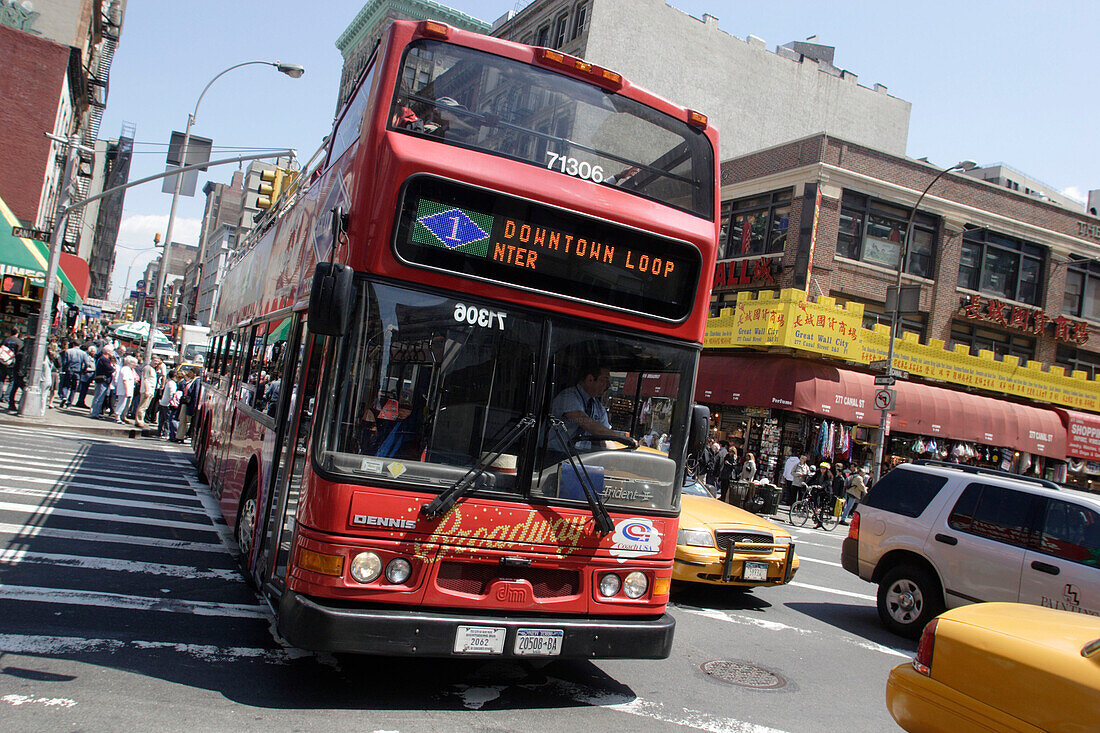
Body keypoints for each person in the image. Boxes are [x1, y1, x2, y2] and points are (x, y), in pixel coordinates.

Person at [548, 362, 636, 450]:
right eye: (605, 380)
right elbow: (588, 424)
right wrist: (621, 438)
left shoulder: (598, 407)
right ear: (590, 379)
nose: (608, 385)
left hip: (580, 459)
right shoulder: (568, 397)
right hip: (553, 456)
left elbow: (606, 439)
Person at [135, 356, 161, 428]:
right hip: (146, 390)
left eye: (157, 361)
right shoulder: (147, 368)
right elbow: (145, 379)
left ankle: (141, 419)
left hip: (151, 390)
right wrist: (146, 390)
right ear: (151, 360)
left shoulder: (153, 369)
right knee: (142, 406)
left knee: (145, 406)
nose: (156, 362)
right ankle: (139, 420)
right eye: (155, 360)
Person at [89, 346, 115, 418]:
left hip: (102, 380)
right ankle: (95, 413)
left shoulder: (102, 358)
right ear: (108, 351)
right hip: (102, 380)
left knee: (99, 396)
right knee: (99, 397)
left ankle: (95, 412)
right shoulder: (104, 359)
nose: (112, 353)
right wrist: (114, 368)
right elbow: (110, 369)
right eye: (112, 351)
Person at [5, 331, 26, 413]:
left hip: (7, 362)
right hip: (18, 370)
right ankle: (15, 402)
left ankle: (10, 401)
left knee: (12, 385)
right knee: (19, 386)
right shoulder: (19, 344)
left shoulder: (6, 339)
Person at [113, 355, 138, 423]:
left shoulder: (130, 370)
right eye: (134, 363)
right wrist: (127, 391)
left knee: (124, 403)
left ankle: (119, 416)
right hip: (124, 390)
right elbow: (125, 380)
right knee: (121, 403)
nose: (135, 365)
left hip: (127, 390)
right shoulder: (125, 369)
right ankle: (117, 417)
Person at [158, 370, 179, 439]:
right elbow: (172, 393)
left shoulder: (168, 382)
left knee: (161, 419)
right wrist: (172, 402)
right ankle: (166, 433)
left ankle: (159, 432)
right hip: (167, 403)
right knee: (167, 419)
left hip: (163, 402)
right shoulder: (172, 383)